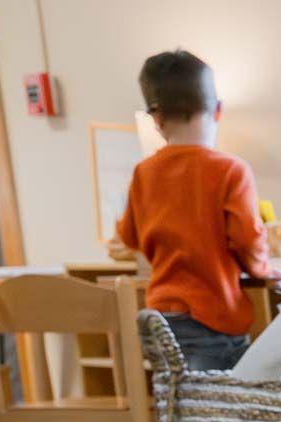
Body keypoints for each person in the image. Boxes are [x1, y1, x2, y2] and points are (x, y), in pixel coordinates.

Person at [112, 50, 272, 371]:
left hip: (160, 318)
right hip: (213, 318)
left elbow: (128, 239)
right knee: (218, 413)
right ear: (219, 111)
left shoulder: (144, 172)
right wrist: (262, 270)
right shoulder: (230, 170)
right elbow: (247, 241)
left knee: (177, 406)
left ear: (155, 119)